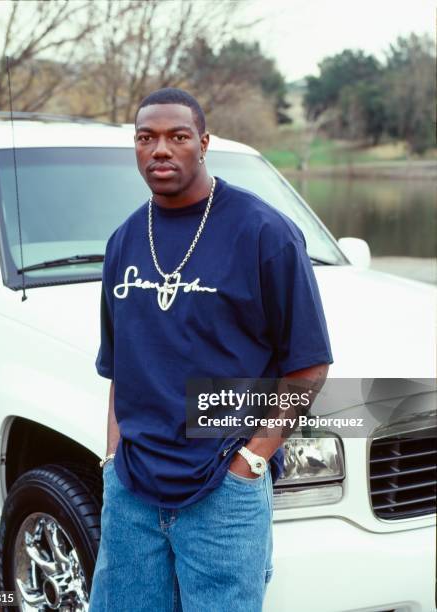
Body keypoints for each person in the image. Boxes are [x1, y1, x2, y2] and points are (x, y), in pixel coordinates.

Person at [89, 88, 333, 612]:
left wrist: (250, 461)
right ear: (134, 148)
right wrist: (112, 459)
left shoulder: (264, 232)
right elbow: (119, 369)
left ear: (203, 143)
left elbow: (309, 365)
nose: (160, 150)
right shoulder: (124, 241)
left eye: (177, 136)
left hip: (222, 491)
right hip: (132, 492)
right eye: (146, 137)